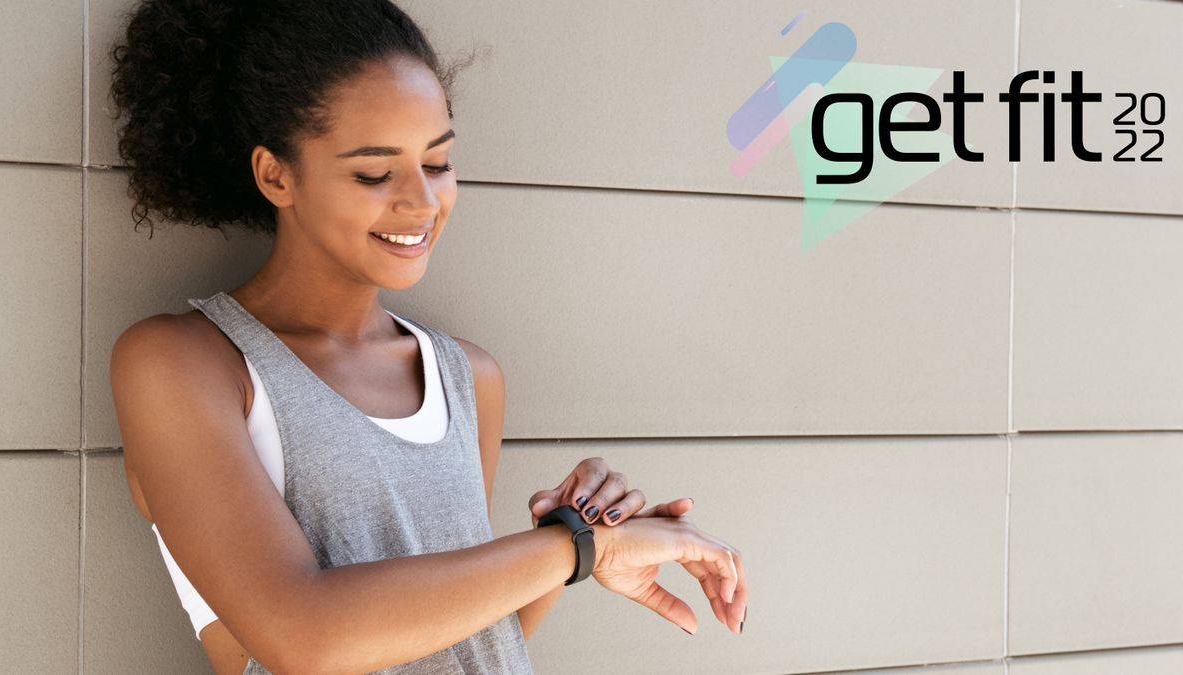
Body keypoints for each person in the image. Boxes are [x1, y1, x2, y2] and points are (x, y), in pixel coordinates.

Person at [105, 1, 748, 673]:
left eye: (437, 163)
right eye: (375, 173)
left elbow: (472, 642)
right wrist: (576, 548)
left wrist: (576, 542)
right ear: (277, 175)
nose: (421, 201)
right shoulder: (183, 364)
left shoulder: (468, 376)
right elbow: (304, 635)